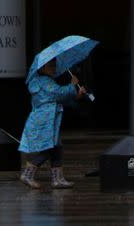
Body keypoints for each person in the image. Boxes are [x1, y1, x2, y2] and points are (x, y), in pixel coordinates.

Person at [18, 58, 86, 189]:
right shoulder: (42, 81)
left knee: (56, 146)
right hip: (44, 121)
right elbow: (58, 93)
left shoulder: (46, 81)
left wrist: (77, 95)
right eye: (51, 65)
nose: (54, 68)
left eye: (54, 65)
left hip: (48, 120)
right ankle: (27, 174)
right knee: (49, 148)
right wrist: (72, 85)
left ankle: (57, 179)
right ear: (42, 68)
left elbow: (59, 99)